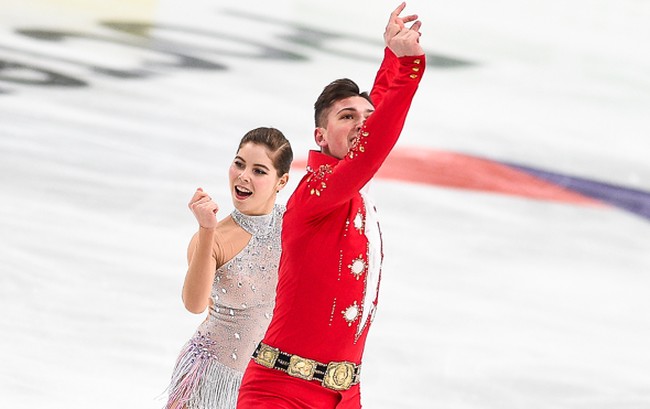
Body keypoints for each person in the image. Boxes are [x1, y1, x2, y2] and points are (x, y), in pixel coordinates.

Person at [236, 3, 425, 408]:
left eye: (367, 116)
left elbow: (369, 134)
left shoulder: (354, 193)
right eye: (347, 117)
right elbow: (371, 146)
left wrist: (393, 57)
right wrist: (409, 69)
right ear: (320, 136)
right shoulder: (316, 192)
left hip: (344, 395)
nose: (362, 123)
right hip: (281, 393)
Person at [164, 127, 293, 409]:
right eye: (239, 163)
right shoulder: (214, 238)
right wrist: (206, 230)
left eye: (259, 171)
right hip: (210, 379)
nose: (244, 176)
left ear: (281, 181)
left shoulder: (292, 224)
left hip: (265, 380)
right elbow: (194, 304)